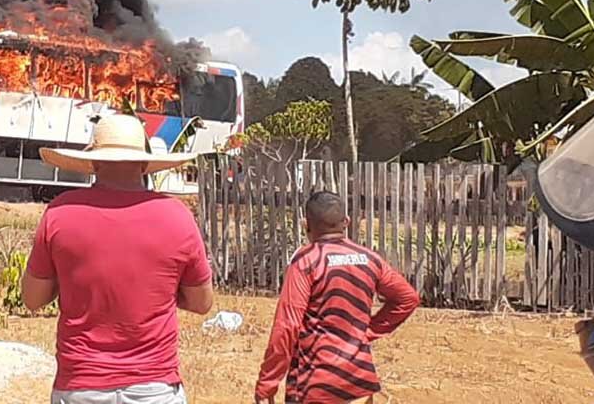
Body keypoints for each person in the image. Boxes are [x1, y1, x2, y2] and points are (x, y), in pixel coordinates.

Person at [21, 114, 214, 404]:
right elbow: (202, 303)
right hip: (155, 385)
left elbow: (33, 298)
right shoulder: (177, 217)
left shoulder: (60, 213)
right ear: (144, 163)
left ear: (94, 162)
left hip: (81, 384)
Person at [254, 191, 419, 404]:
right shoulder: (370, 259)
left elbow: (287, 326)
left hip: (313, 384)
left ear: (306, 225)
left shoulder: (307, 262)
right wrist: (368, 330)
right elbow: (408, 298)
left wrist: (267, 383)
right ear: (346, 222)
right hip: (358, 383)